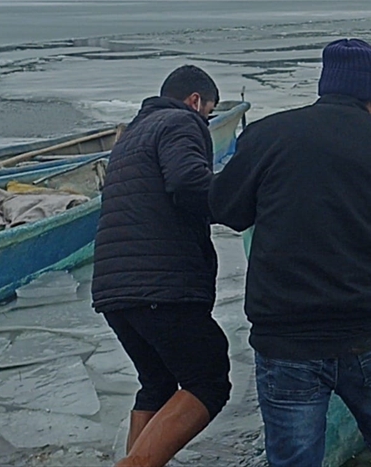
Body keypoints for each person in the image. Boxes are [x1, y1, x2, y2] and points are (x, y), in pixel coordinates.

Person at [209, 39, 371, 467]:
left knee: (295, 457)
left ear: (325, 87)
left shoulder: (269, 135)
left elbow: (225, 209)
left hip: (288, 336)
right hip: (365, 329)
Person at [91, 65, 231, 467]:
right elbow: (189, 183)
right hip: (161, 285)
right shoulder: (181, 123)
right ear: (195, 101)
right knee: (208, 379)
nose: (206, 121)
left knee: (157, 384)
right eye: (208, 113)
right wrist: (240, 199)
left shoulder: (132, 135)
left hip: (114, 288)